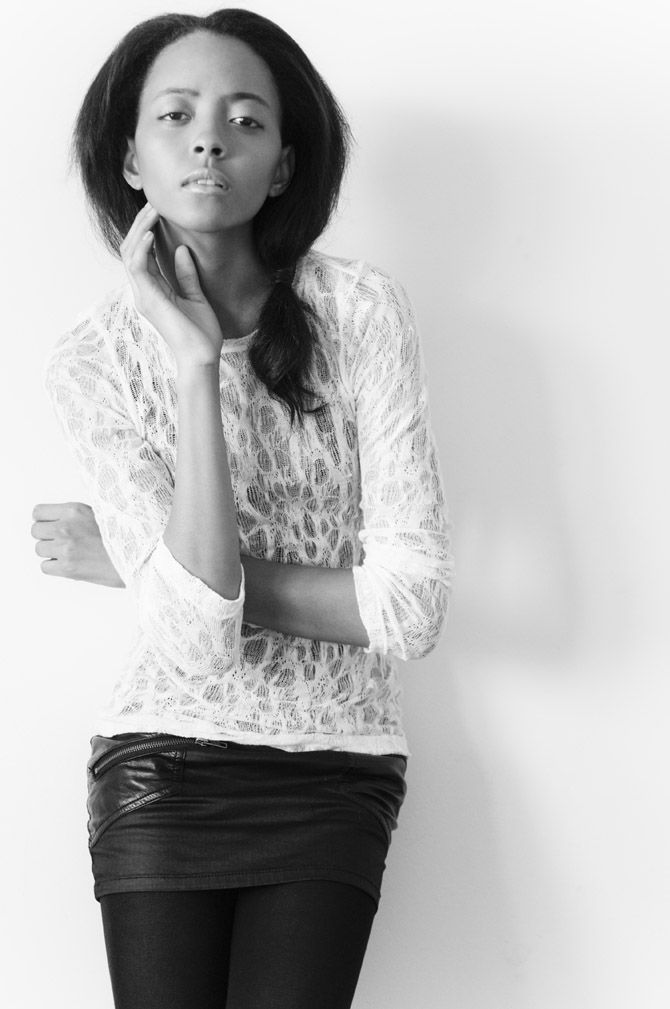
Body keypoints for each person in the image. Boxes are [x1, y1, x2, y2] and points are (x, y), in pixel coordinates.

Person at [31, 9, 453, 1009]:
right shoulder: (94, 360)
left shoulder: (360, 312)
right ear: (129, 158)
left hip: (336, 765)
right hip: (161, 764)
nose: (209, 140)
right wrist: (192, 363)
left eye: (245, 119)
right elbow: (194, 644)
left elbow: (409, 609)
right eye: (175, 115)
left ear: (284, 164)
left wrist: (139, 564)